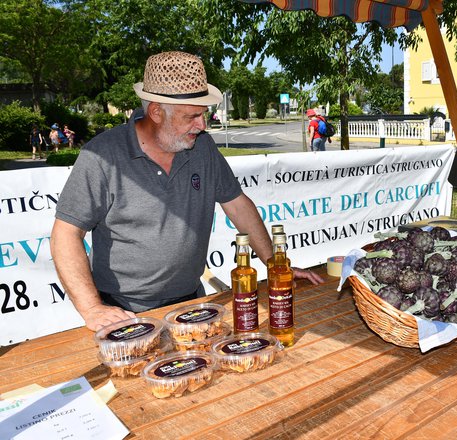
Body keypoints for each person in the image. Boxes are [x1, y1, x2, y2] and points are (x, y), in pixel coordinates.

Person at [50, 51, 323, 332]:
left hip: (191, 303)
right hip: (124, 312)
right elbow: (66, 234)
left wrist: (274, 264)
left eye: (202, 115)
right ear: (156, 112)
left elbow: (239, 206)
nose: (202, 125)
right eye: (192, 116)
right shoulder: (103, 155)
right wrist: (92, 309)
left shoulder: (202, 148)